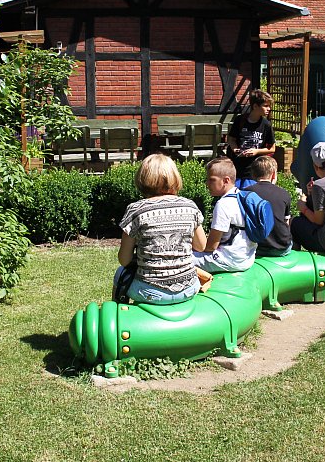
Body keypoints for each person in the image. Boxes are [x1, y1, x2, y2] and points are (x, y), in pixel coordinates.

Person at [116, 154, 208, 304]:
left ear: (142, 178)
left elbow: (124, 260)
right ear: (174, 177)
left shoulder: (135, 210)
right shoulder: (189, 206)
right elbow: (201, 245)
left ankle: (119, 316)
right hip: (189, 288)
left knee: (120, 274)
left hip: (149, 291)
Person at [193, 157, 258, 273]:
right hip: (247, 258)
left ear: (226, 180)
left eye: (211, 180)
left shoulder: (223, 204)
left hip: (229, 261)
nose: (207, 184)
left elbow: (211, 247)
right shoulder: (242, 197)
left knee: (183, 260)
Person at [244, 155, 293, 257]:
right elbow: (286, 223)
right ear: (273, 174)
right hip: (281, 247)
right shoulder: (284, 194)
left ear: (253, 174)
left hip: (256, 247)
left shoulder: (245, 193)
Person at [227, 89, 276, 188]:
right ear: (255, 106)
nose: (269, 109)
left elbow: (272, 148)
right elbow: (231, 139)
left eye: (269, 106)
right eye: (266, 106)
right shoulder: (240, 120)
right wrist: (235, 149)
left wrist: (256, 151)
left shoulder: (266, 125)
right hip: (237, 167)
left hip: (254, 170)